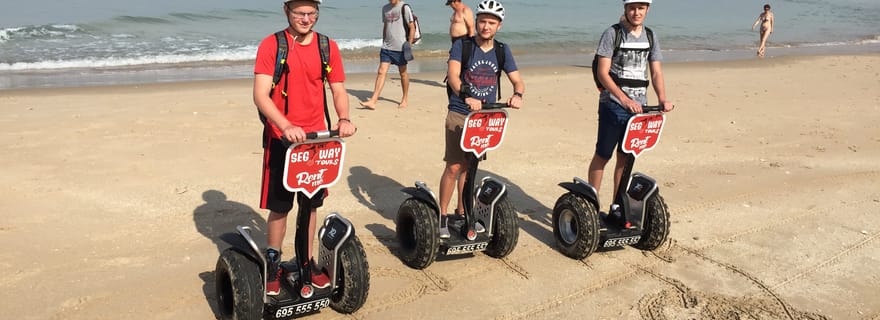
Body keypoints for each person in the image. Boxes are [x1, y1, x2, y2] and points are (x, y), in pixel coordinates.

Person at [252, 0, 356, 295]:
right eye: (299, 12)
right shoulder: (273, 45)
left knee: (311, 205)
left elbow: (337, 87)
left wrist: (344, 119)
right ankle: (273, 264)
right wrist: (285, 126)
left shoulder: (327, 46)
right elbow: (261, 95)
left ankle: (305, 261)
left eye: (311, 13)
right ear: (287, 10)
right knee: (280, 207)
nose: (306, 18)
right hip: (282, 139)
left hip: (317, 140)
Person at [440, 0, 525, 238]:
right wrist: (467, 95)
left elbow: (518, 80)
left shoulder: (501, 50)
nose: (486, 26)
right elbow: (454, 76)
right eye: (482, 21)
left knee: (470, 165)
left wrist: (517, 94)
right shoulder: (462, 46)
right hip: (460, 112)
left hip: (485, 117)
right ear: (475, 21)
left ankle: (463, 211)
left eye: (491, 22)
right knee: (454, 165)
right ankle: (443, 217)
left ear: (499, 25)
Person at [588, 0, 673, 215]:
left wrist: (662, 98)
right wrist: (624, 99)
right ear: (625, 9)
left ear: (647, 10)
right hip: (613, 104)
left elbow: (656, 72)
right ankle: (590, 206)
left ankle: (616, 205)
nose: (636, 12)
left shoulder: (651, 36)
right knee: (603, 154)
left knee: (625, 157)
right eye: (632, 8)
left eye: (641, 8)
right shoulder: (612, 33)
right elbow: (602, 73)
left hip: (640, 107)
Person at [359, 0, 416, 110]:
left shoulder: (404, 7)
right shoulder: (385, 8)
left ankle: (405, 98)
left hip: (401, 47)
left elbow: (412, 27)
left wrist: (409, 45)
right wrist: (384, 41)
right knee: (381, 71)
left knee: (403, 73)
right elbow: (386, 25)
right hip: (387, 47)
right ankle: (373, 100)